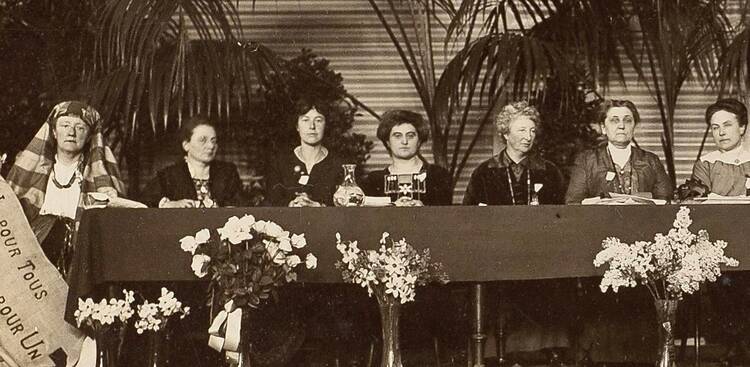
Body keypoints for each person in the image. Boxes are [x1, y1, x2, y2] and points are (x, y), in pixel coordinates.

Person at [7, 101, 125, 277]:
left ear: (89, 137)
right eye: (65, 125)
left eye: (80, 128)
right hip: (32, 263)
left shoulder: (101, 181)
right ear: (54, 132)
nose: (71, 132)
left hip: (80, 264)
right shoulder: (31, 173)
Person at [565, 99, 672, 203]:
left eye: (628, 120)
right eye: (614, 120)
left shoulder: (651, 161)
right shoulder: (586, 161)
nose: (621, 126)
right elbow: (574, 204)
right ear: (603, 127)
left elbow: (665, 202)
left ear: (634, 126)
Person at [463, 101, 565, 205]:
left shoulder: (551, 172)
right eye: (522, 130)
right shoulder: (483, 173)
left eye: (532, 131)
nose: (529, 137)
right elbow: (468, 216)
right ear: (506, 134)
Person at [140, 116, 244, 208]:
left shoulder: (228, 172)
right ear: (186, 145)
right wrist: (168, 204)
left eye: (213, 141)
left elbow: (239, 204)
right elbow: (144, 201)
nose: (211, 146)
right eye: (203, 140)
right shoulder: (168, 175)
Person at [264, 99, 345, 207]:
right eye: (305, 120)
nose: (312, 126)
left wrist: (318, 207)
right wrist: (291, 205)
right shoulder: (279, 162)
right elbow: (271, 203)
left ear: (326, 125)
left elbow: (347, 211)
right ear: (297, 126)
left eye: (318, 120)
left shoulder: (339, 165)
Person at [362, 109, 452, 206]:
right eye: (397, 136)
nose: (404, 141)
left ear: (419, 141)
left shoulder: (438, 176)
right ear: (387, 141)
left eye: (410, 136)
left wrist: (425, 209)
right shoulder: (374, 181)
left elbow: (445, 216)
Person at [691, 98, 750, 196]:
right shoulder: (705, 164)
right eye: (715, 127)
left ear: (742, 128)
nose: (721, 132)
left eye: (727, 125)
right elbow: (701, 204)